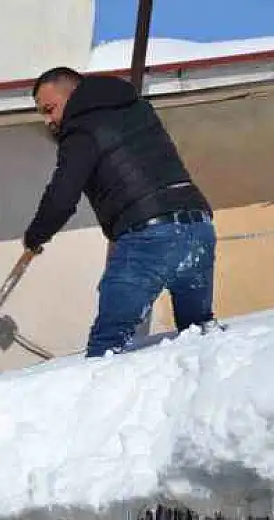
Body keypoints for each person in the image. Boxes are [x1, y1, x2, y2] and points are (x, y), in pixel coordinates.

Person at [23, 66, 220, 358]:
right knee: (199, 334)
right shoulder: (138, 108)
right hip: (197, 227)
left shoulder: (80, 128)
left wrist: (36, 235)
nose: (49, 120)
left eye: (50, 109)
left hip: (149, 237)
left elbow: (63, 196)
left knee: (107, 348)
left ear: (72, 94)